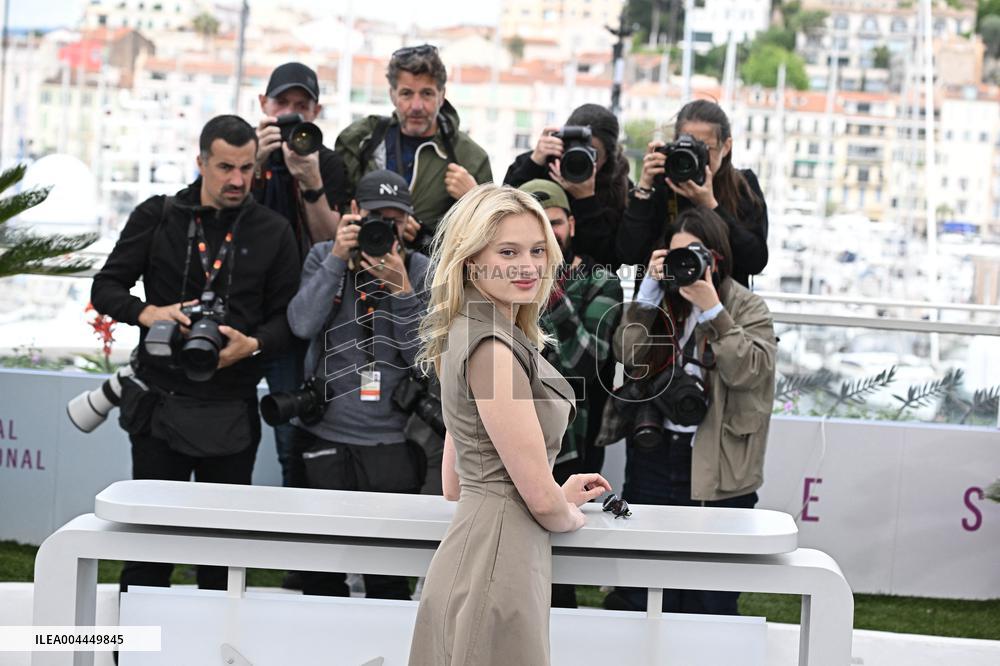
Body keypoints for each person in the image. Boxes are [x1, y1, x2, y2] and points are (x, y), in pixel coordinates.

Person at [90, 115, 300, 595]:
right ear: (200, 161)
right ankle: (136, 652)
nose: (237, 180)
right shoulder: (158, 215)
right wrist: (149, 313)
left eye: (247, 168)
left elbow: (289, 320)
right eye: (225, 166)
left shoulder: (273, 230)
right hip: (158, 404)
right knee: (147, 554)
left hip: (232, 406)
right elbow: (106, 288)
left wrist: (254, 344)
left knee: (222, 558)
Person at [409, 184, 612, 666]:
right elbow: (537, 500)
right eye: (508, 251)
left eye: (538, 250)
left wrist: (551, 494)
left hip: (478, 553)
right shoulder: (494, 349)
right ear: (471, 258)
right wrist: (564, 513)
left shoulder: (467, 330)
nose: (528, 265)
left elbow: (456, 482)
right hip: (503, 564)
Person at [599, 205, 777, 614]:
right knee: (642, 591)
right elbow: (626, 355)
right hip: (654, 455)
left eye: (696, 253)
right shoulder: (661, 301)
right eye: (676, 253)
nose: (687, 263)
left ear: (718, 257)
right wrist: (646, 294)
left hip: (718, 465)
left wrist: (715, 311)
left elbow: (751, 372)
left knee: (708, 598)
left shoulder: (746, 306)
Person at [285, 169, 430, 599]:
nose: (385, 229)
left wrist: (402, 290)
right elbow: (300, 324)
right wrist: (335, 260)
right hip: (324, 433)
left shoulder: (419, 270)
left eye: (394, 219)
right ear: (353, 214)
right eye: (374, 218)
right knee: (320, 574)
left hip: (390, 442)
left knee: (388, 577)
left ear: (408, 222)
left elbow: (424, 358)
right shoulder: (324, 257)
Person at [518, 179, 623, 609]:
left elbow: (586, 360)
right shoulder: (507, 279)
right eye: (535, 226)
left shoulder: (601, 281)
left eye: (554, 223)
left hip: (574, 440)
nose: (547, 235)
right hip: (514, 436)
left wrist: (550, 290)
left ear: (572, 224)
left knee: (562, 561)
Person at [252, 61, 353, 492]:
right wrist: (254, 163)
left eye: (301, 105)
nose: (292, 114)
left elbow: (334, 244)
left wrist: (310, 180)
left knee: (292, 432)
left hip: (308, 319)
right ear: (264, 105)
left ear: (316, 112)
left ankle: (298, 542)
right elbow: (227, 219)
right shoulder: (245, 153)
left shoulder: (327, 163)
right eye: (283, 104)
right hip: (253, 310)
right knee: (236, 425)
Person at [336, 44, 492, 250]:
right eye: (407, 94)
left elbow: (490, 238)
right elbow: (337, 208)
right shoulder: (361, 140)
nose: (417, 106)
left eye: (426, 94)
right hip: (365, 268)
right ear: (392, 95)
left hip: (432, 276)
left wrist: (474, 198)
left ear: (441, 95)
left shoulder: (470, 157)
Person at [618, 99, 768, 287]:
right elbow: (629, 254)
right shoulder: (663, 182)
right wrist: (644, 187)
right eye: (688, 147)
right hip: (664, 308)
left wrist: (711, 205)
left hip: (722, 309)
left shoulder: (742, 186)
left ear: (726, 146)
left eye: (704, 149)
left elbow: (755, 261)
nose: (697, 158)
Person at [504, 103, 632, 269]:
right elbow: (502, 214)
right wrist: (534, 163)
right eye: (571, 147)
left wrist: (586, 200)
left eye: (591, 152)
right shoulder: (539, 162)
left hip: (583, 283)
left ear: (607, 157)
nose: (579, 158)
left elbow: (608, 260)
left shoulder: (619, 187)